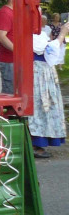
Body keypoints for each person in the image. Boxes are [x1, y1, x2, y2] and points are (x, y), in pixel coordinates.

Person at [29, 20, 68, 159]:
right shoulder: (30, 35)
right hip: (38, 72)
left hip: (45, 72)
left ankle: (41, 141)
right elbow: (48, 50)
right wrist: (62, 34)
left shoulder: (40, 35)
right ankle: (35, 142)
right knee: (39, 105)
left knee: (47, 105)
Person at [0, 0, 14, 93]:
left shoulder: (15, 13)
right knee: (10, 93)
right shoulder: (4, 13)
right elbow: (1, 36)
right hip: (9, 61)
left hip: (16, 61)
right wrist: (18, 51)